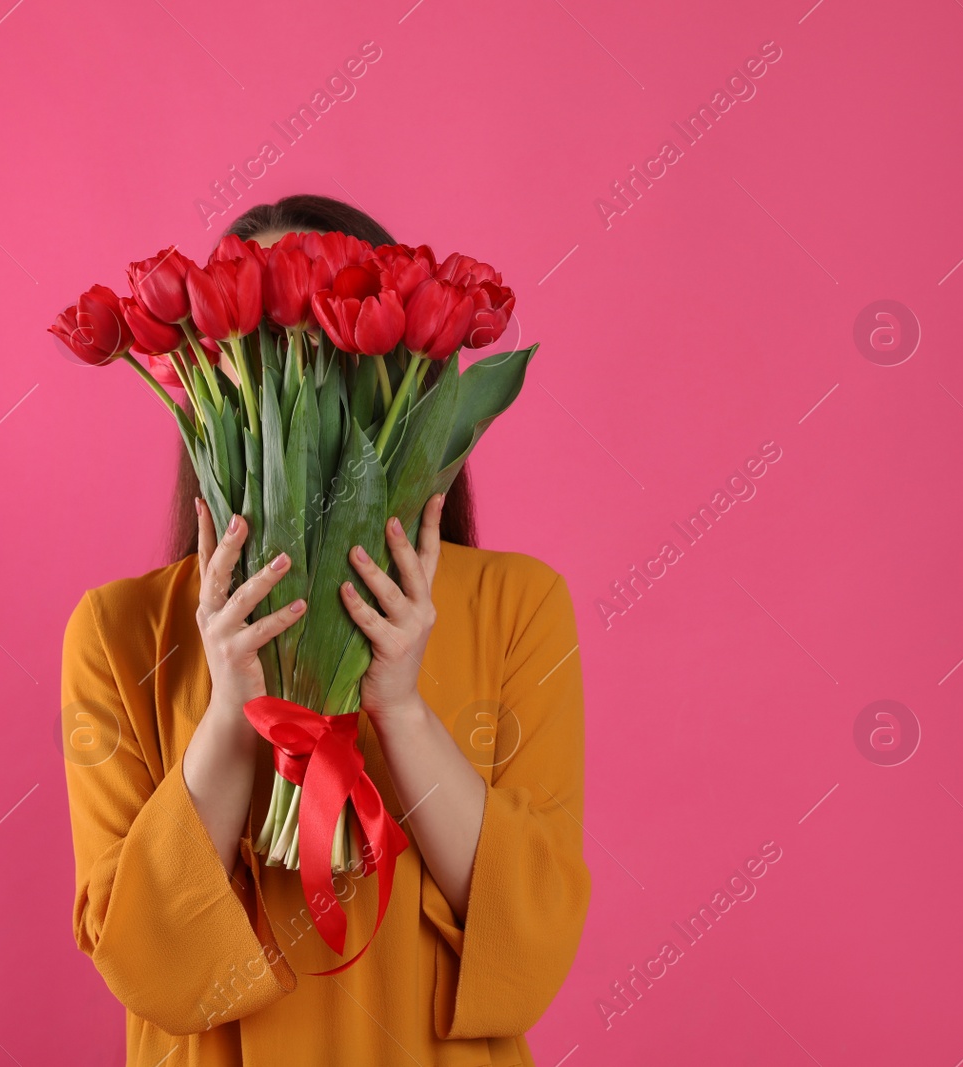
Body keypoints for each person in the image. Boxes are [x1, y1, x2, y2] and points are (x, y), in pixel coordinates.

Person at [60, 195, 590, 1065]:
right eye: (258, 326)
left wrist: (403, 710)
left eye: (320, 319)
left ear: (398, 355)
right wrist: (235, 712)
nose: (292, 361)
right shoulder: (120, 633)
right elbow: (146, 962)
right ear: (206, 364)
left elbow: (529, 943)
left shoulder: (516, 606)